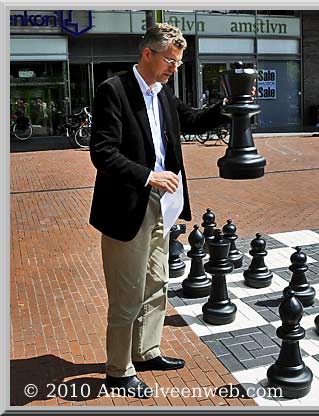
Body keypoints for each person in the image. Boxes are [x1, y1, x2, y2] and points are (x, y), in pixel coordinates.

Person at [89, 23, 229, 399]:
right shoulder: (113, 90)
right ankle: (118, 371)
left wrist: (228, 108)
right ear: (147, 54)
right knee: (128, 294)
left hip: (163, 206)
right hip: (128, 207)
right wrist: (148, 176)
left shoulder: (163, 93)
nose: (175, 68)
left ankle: (146, 351)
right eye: (170, 60)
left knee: (156, 284)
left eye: (179, 62)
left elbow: (195, 119)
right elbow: (102, 152)